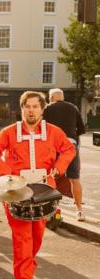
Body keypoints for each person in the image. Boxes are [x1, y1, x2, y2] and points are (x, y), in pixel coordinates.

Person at [0, 91, 75, 279]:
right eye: (28, 106)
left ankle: (28, 267)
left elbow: (69, 149)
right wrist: (6, 171)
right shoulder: (10, 131)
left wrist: (59, 167)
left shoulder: (53, 131)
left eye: (36, 106)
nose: (31, 110)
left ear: (42, 109)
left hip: (45, 190)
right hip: (16, 190)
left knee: (37, 235)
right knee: (22, 236)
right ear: (22, 108)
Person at [44, 88, 86, 221]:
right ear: (62, 97)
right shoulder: (73, 108)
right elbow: (82, 129)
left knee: (51, 177)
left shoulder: (47, 109)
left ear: (50, 98)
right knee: (75, 179)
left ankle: (50, 209)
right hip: (70, 145)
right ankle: (79, 211)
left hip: (53, 146)